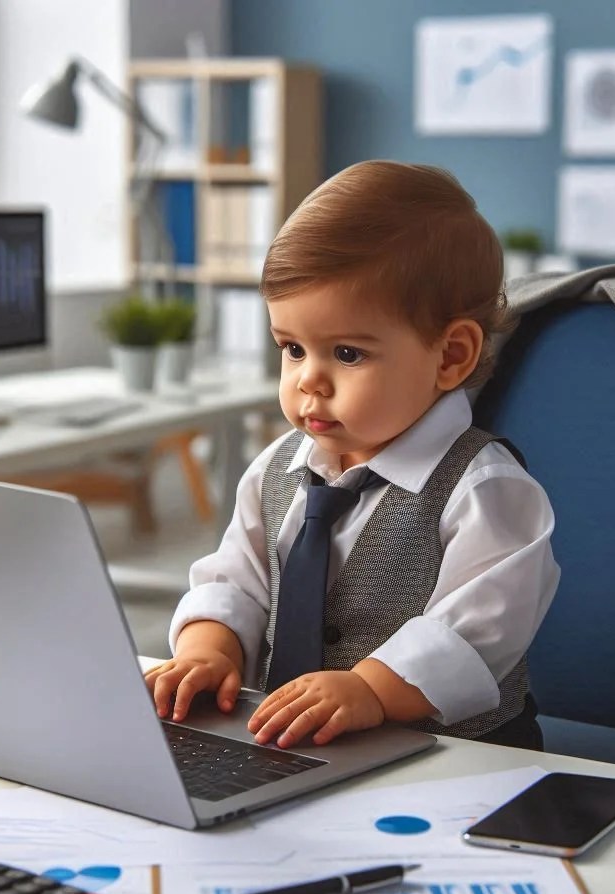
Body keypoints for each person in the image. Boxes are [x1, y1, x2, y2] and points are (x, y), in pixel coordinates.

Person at [144, 160, 559, 750]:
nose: (309, 381)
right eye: (291, 348)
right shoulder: (276, 470)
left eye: (346, 353)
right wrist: (206, 650)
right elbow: (237, 579)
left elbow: (478, 630)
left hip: (450, 758)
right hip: (294, 743)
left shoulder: (485, 488)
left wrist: (369, 689)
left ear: (451, 356)